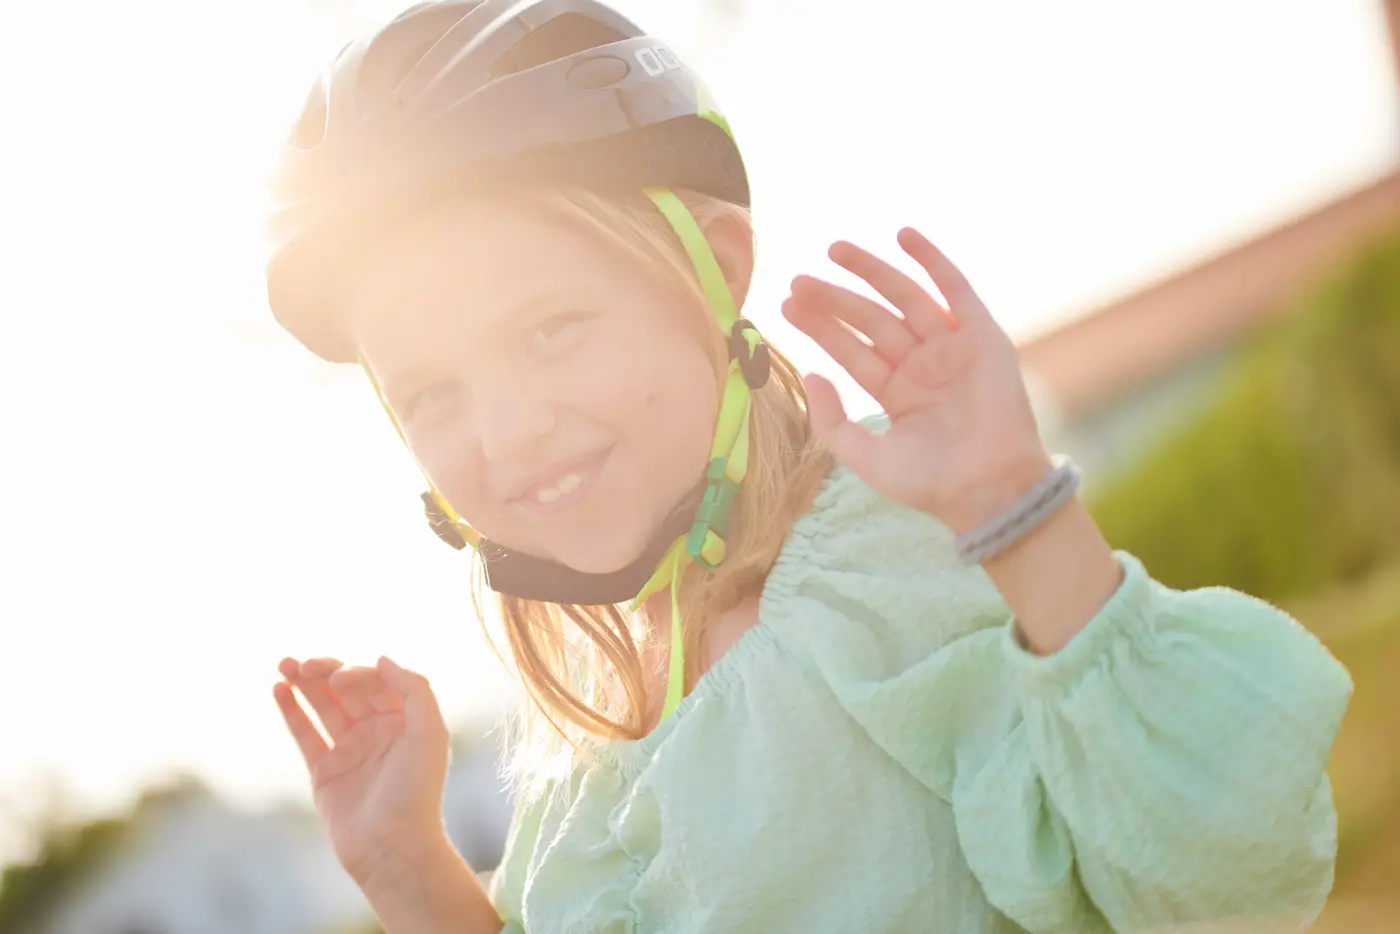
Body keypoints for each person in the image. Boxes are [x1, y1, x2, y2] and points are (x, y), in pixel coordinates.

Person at [264, 2, 1353, 932]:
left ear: (713, 272)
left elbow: (1224, 881)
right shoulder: (580, 753)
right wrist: (407, 870)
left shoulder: (884, 568)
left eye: (549, 329)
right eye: (432, 395)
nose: (504, 433)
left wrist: (1014, 516)